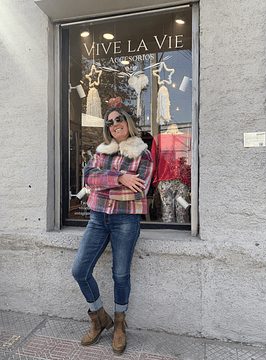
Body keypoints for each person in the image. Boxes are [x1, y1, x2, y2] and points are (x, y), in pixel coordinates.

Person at [72, 98, 153, 355]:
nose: (114, 124)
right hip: (97, 218)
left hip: (125, 220)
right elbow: (88, 177)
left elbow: (139, 193)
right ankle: (99, 316)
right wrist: (120, 178)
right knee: (79, 271)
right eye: (110, 122)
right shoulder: (101, 151)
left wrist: (103, 186)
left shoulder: (143, 153)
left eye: (118, 119)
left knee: (120, 275)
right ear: (107, 128)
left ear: (127, 122)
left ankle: (119, 323)